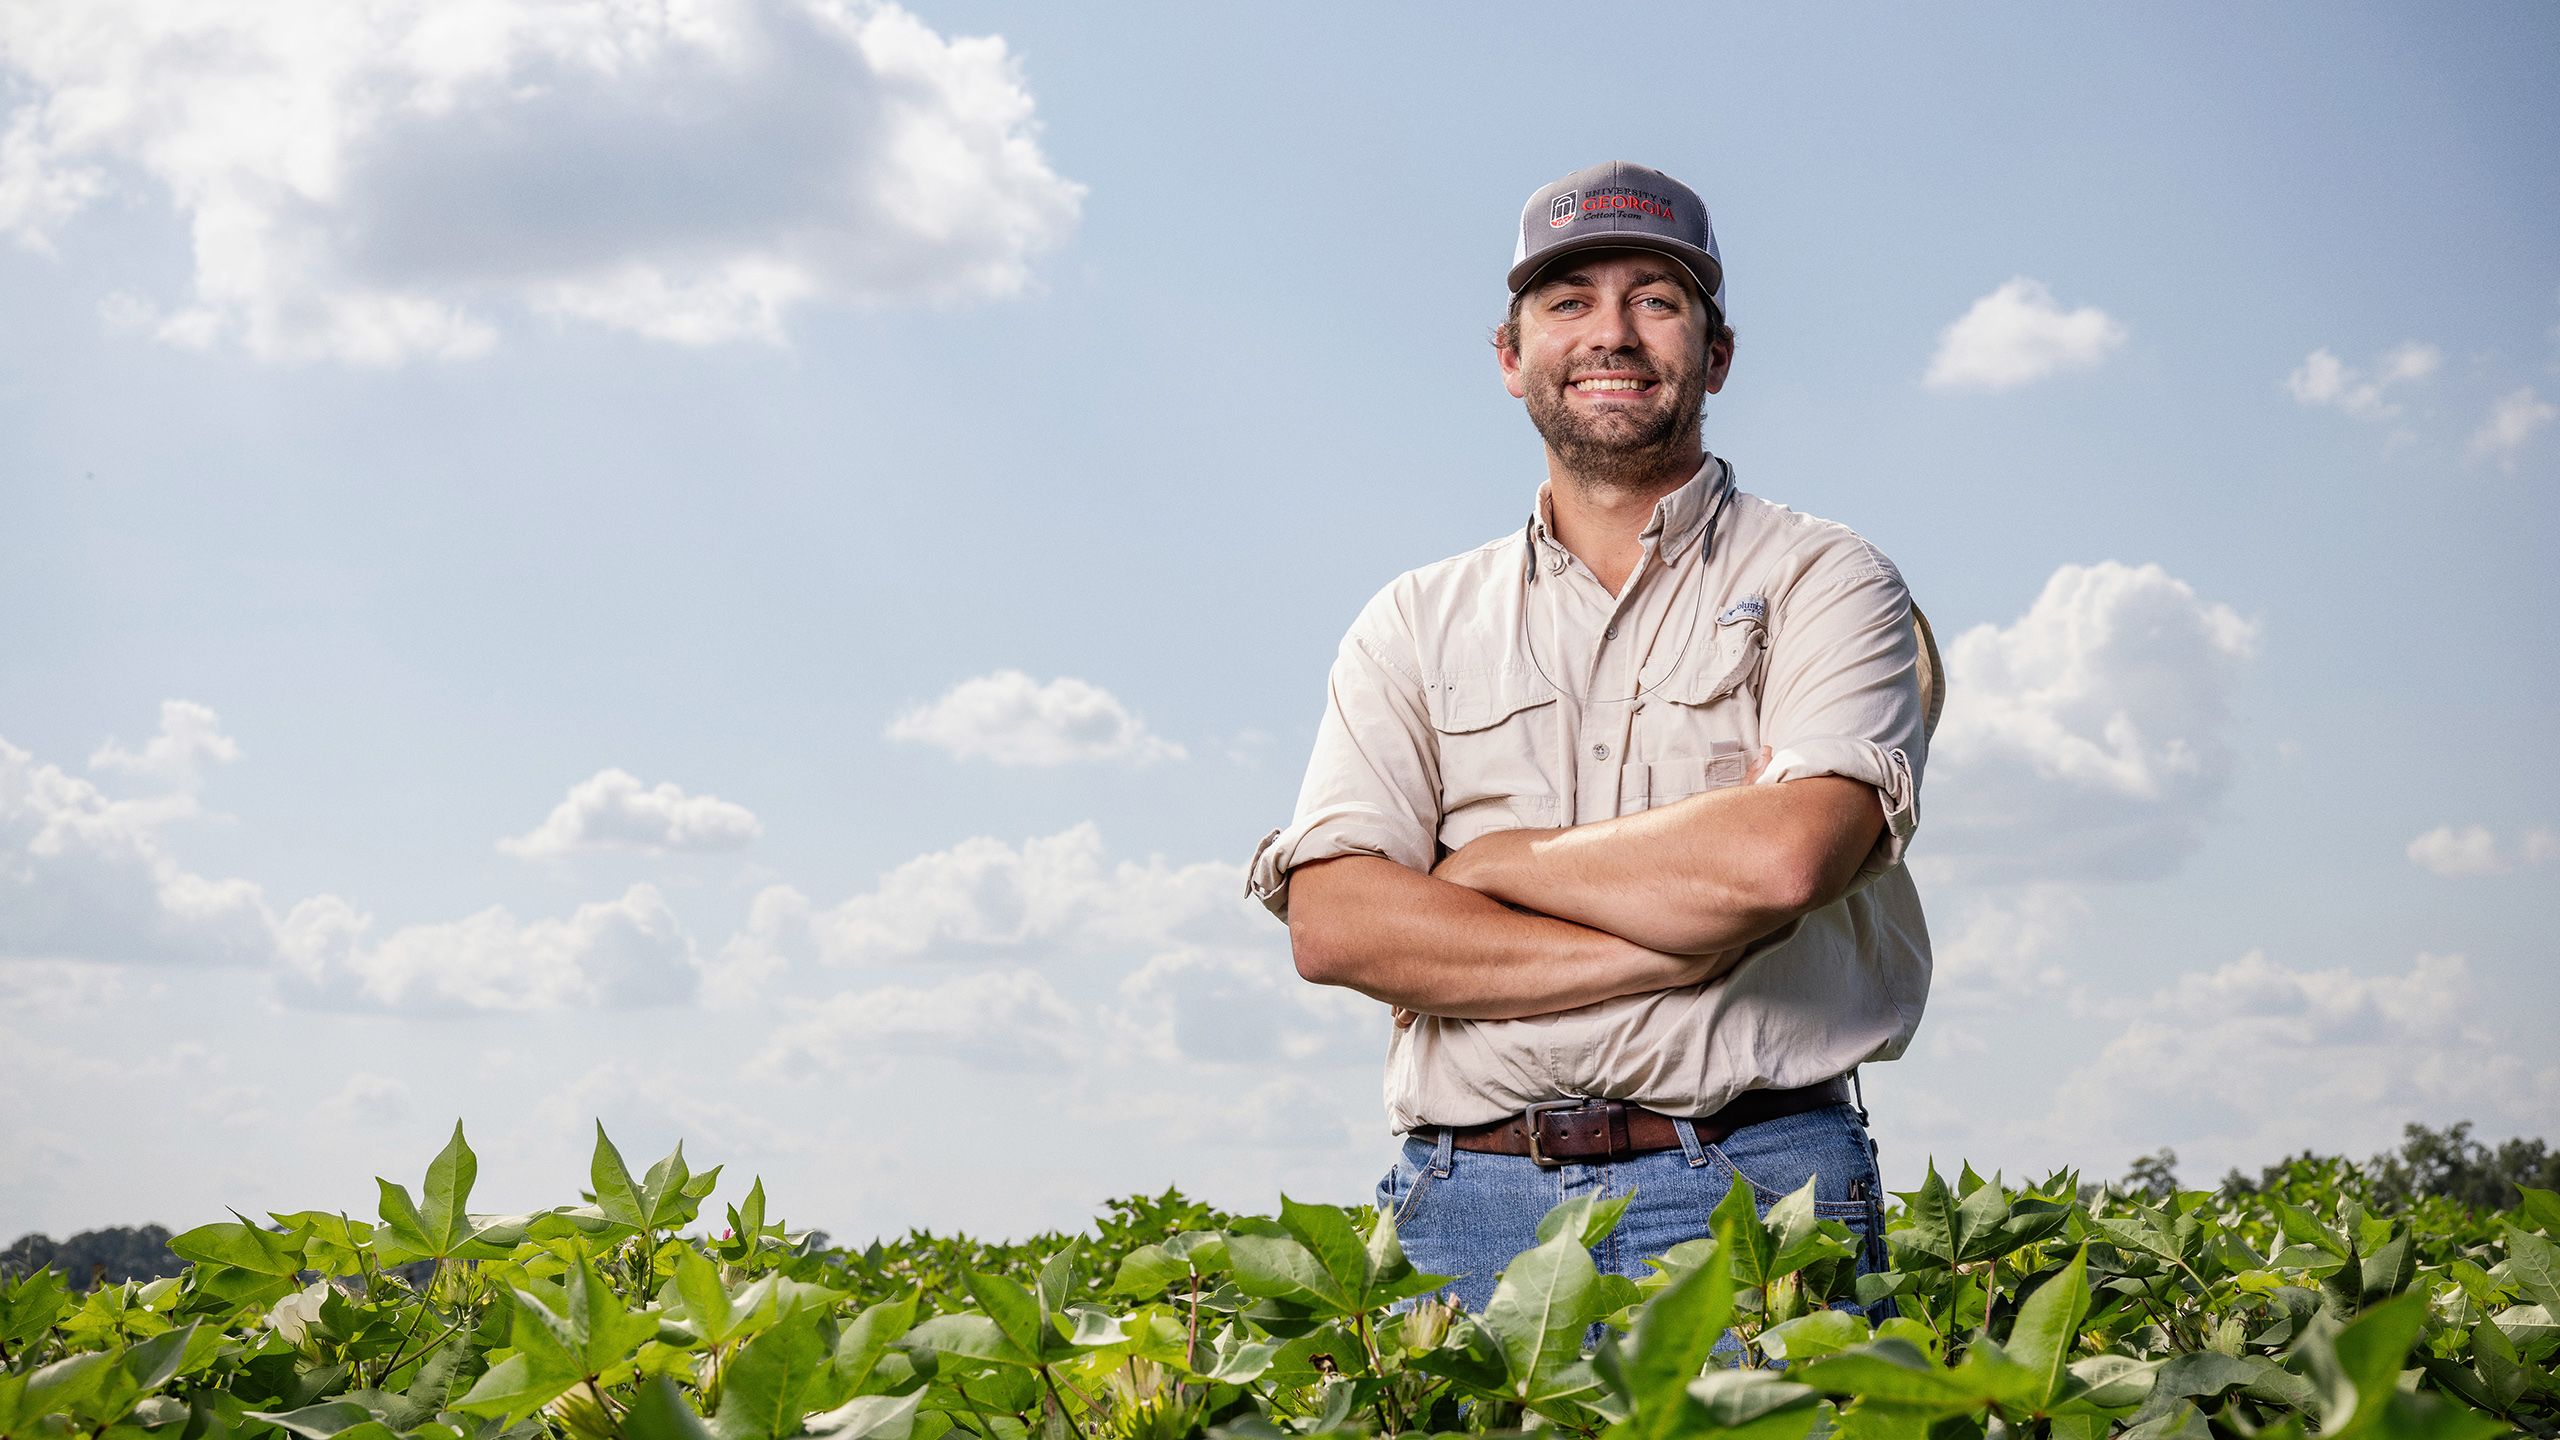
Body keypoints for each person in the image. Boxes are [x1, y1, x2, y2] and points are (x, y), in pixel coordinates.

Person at [1246, 160, 1942, 1314]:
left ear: (1713, 356)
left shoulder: (1827, 579)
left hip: (1750, 1187)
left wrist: (1497, 869)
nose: (1610, 334)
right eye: (1568, 303)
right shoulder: (1412, 620)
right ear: (1512, 360)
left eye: (1655, 301)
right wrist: (1671, 948)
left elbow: (1785, 860)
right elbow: (1333, 924)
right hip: (1464, 1199)